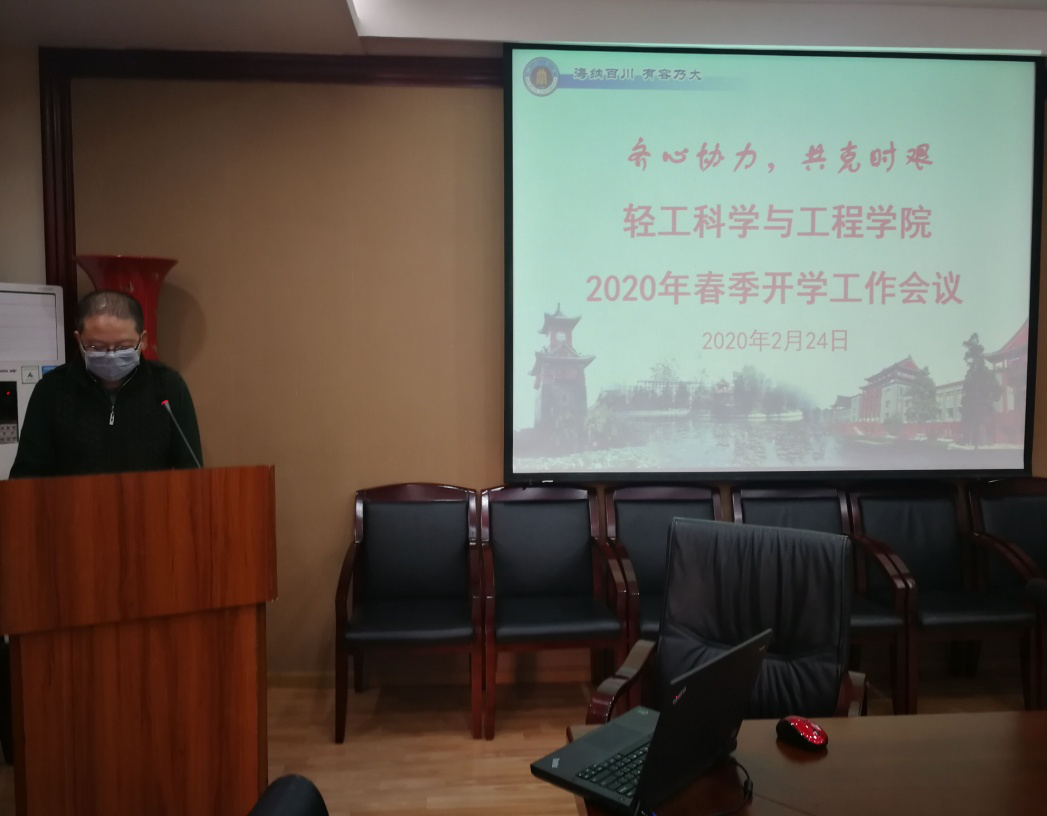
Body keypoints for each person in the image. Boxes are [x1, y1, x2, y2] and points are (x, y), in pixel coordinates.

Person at [8, 289, 202, 478]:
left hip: (150, 499)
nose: (111, 355)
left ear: (143, 340)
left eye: (123, 346)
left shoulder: (168, 387)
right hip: (74, 500)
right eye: (97, 347)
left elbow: (192, 471)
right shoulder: (51, 390)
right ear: (79, 340)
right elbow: (26, 477)